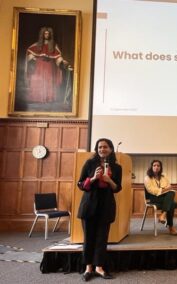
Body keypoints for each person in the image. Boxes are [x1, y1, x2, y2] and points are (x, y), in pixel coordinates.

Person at [77, 138, 122, 281]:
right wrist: (93, 178)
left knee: (102, 238)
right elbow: (81, 184)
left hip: (106, 204)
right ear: (97, 149)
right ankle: (88, 268)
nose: (102, 149)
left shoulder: (117, 167)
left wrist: (109, 181)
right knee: (88, 237)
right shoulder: (90, 163)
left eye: (106, 147)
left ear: (111, 149)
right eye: (100, 147)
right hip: (89, 204)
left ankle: (99, 267)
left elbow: (117, 188)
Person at [25, 27, 69, 103]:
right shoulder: (37, 44)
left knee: (48, 81)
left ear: (50, 35)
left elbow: (58, 55)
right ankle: (38, 98)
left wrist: (62, 60)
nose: (46, 35)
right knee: (39, 81)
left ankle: (48, 98)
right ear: (42, 34)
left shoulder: (53, 45)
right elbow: (30, 52)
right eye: (45, 33)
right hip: (39, 66)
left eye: (48, 33)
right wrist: (32, 57)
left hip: (49, 66)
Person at [144, 160, 177, 236]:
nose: (156, 167)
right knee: (171, 201)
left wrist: (165, 190)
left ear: (160, 167)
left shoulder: (164, 176)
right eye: (154, 165)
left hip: (164, 197)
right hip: (153, 198)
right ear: (151, 167)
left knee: (172, 194)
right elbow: (152, 190)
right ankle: (170, 227)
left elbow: (169, 186)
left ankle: (163, 215)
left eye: (158, 166)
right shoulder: (147, 178)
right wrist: (164, 189)